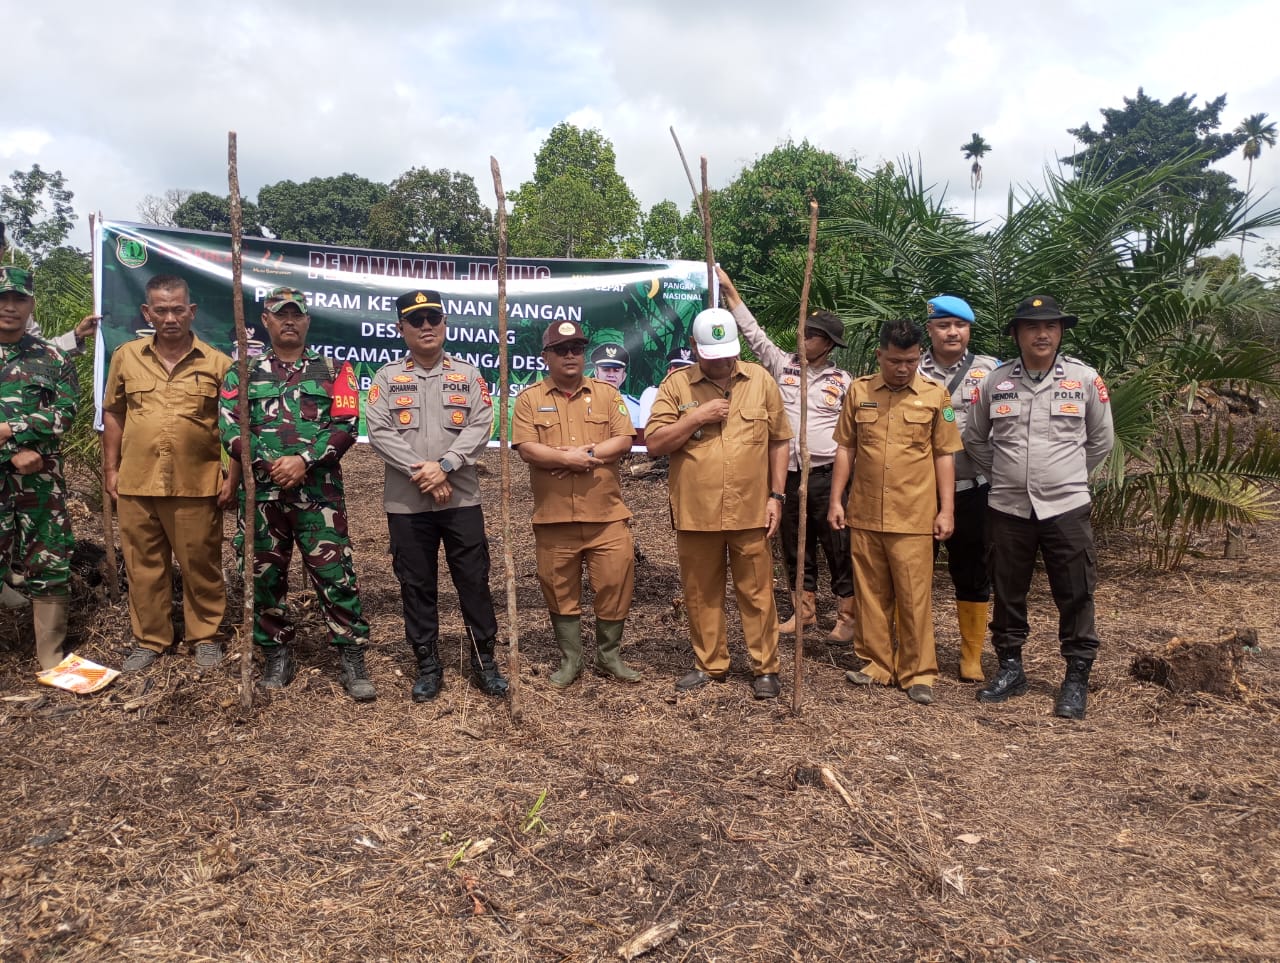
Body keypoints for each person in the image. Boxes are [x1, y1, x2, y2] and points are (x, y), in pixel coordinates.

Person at [219, 287, 374, 701]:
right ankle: (275, 652)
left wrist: (304, 460)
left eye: (296, 314)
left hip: (319, 497)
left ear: (307, 321)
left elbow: (347, 426)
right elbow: (231, 428)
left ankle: (351, 655)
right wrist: (270, 463)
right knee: (264, 576)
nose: (289, 320)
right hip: (264, 496)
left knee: (335, 575)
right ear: (265, 321)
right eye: (279, 314)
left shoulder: (336, 369)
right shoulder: (241, 374)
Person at [964, 295, 1114, 719]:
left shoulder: (1084, 379)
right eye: (1031, 326)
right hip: (1008, 507)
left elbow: (1101, 440)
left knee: (1076, 592)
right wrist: (1006, 474)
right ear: (1016, 334)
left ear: (1061, 332)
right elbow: (975, 437)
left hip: (1066, 506)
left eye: (1050, 326)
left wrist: (1064, 476)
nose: (1042, 334)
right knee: (1008, 591)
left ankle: (1076, 677)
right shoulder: (995, 382)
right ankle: (1011, 669)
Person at [366, 289, 508, 701]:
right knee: (416, 583)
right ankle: (427, 665)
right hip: (408, 503)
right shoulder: (387, 378)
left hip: (461, 498)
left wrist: (444, 466)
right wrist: (423, 472)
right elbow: (379, 432)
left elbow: (482, 424)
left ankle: (485, 663)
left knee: (474, 581)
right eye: (416, 320)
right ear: (401, 329)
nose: (426, 326)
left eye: (433, 318)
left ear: (444, 323)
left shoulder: (467, 374)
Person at [645, 306, 791, 699]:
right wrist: (696, 418)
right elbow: (654, 443)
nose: (722, 361)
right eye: (711, 354)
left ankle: (765, 668)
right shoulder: (677, 387)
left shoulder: (760, 380)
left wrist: (777, 495)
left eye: (727, 352)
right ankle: (711, 664)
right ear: (693, 347)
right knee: (700, 591)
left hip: (751, 509)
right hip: (696, 511)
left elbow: (779, 440)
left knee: (758, 592)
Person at [103, 274, 234, 671]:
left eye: (178, 309)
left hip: (196, 483)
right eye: (161, 310)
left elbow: (232, 426)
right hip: (137, 481)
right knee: (143, 565)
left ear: (191, 311)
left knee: (201, 564)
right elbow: (113, 411)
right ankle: (151, 639)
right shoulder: (126, 356)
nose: (171, 317)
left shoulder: (217, 363)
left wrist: (232, 477)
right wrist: (111, 469)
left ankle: (205, 636)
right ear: (147, 313)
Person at [717, 267, 856, 642]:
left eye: (811, 335)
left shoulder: (843, 381)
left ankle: (847, 614)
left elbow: (853, 435)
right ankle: (803, 610)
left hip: (827, 476)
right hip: (789, 475)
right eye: (803, 331)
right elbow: (753, 334)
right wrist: (729, 291)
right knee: (796, 544)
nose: (803, 338)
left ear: (827, 344)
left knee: (837, 545)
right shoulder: (783, 366)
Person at [828, 319, 962, 705]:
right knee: (870, 594)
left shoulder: (936, 396)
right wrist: (837, 500)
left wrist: (946, 510)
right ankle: (875, 664)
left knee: (913, 596)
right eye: (894, 361)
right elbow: (846, 448)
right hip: (866, 511)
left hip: (913, 516)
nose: (902, 369)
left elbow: (944, 455)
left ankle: (918, 672)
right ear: (879, 355)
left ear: (919, 356)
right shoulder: (859, 392)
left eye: (910, 361)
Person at [512, 320, 640, 687]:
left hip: (607, 516)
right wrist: (566, 459)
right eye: (561, 349)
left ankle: (609, 656)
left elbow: (623, 440)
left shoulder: (607, 395)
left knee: (615, 583)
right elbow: (526, 448)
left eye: (577, 349)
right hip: (554, 518)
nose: (570, 356)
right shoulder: (530, 399)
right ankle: (571, 660)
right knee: (558, 588)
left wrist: (586, 454)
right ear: (546, 356)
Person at [919, 295, 1001, 682]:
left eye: (960, 325)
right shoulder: (912, 369)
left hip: (973, 488)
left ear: (969, 330)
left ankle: (971, 654)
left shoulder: (992, 373)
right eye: (944, 325)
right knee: (915, 569)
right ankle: (916, 646)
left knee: (971, 569)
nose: (952, 332)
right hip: (921, 490)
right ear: (930, 329)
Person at [0, 266, 78, 668]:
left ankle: (50, 657)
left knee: (49, 557)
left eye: (18, 299)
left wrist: (11, 429)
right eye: (2, 298)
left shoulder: (51, 356)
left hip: (40, 480)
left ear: (31, 303)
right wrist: (11, 452)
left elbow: (66, 413)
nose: (9, 307)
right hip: (17, 464)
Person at [0, 220, 99, 354]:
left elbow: (37, 349)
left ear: (3, 250)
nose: (9, 307)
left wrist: (77, 334)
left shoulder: (13, 285)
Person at [637, 345, 695, 428]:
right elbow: (647, 428)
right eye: (677, 369)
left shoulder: (700, 393)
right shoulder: (652, 393)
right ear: (669, 371)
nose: (681, 374)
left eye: (687, 370)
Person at [589, 343, 642, 429]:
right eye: (606, 370)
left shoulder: (636, 408)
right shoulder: (581, 403)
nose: (611, 375)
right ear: (596, 373)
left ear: (624, 375)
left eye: (616, 370)